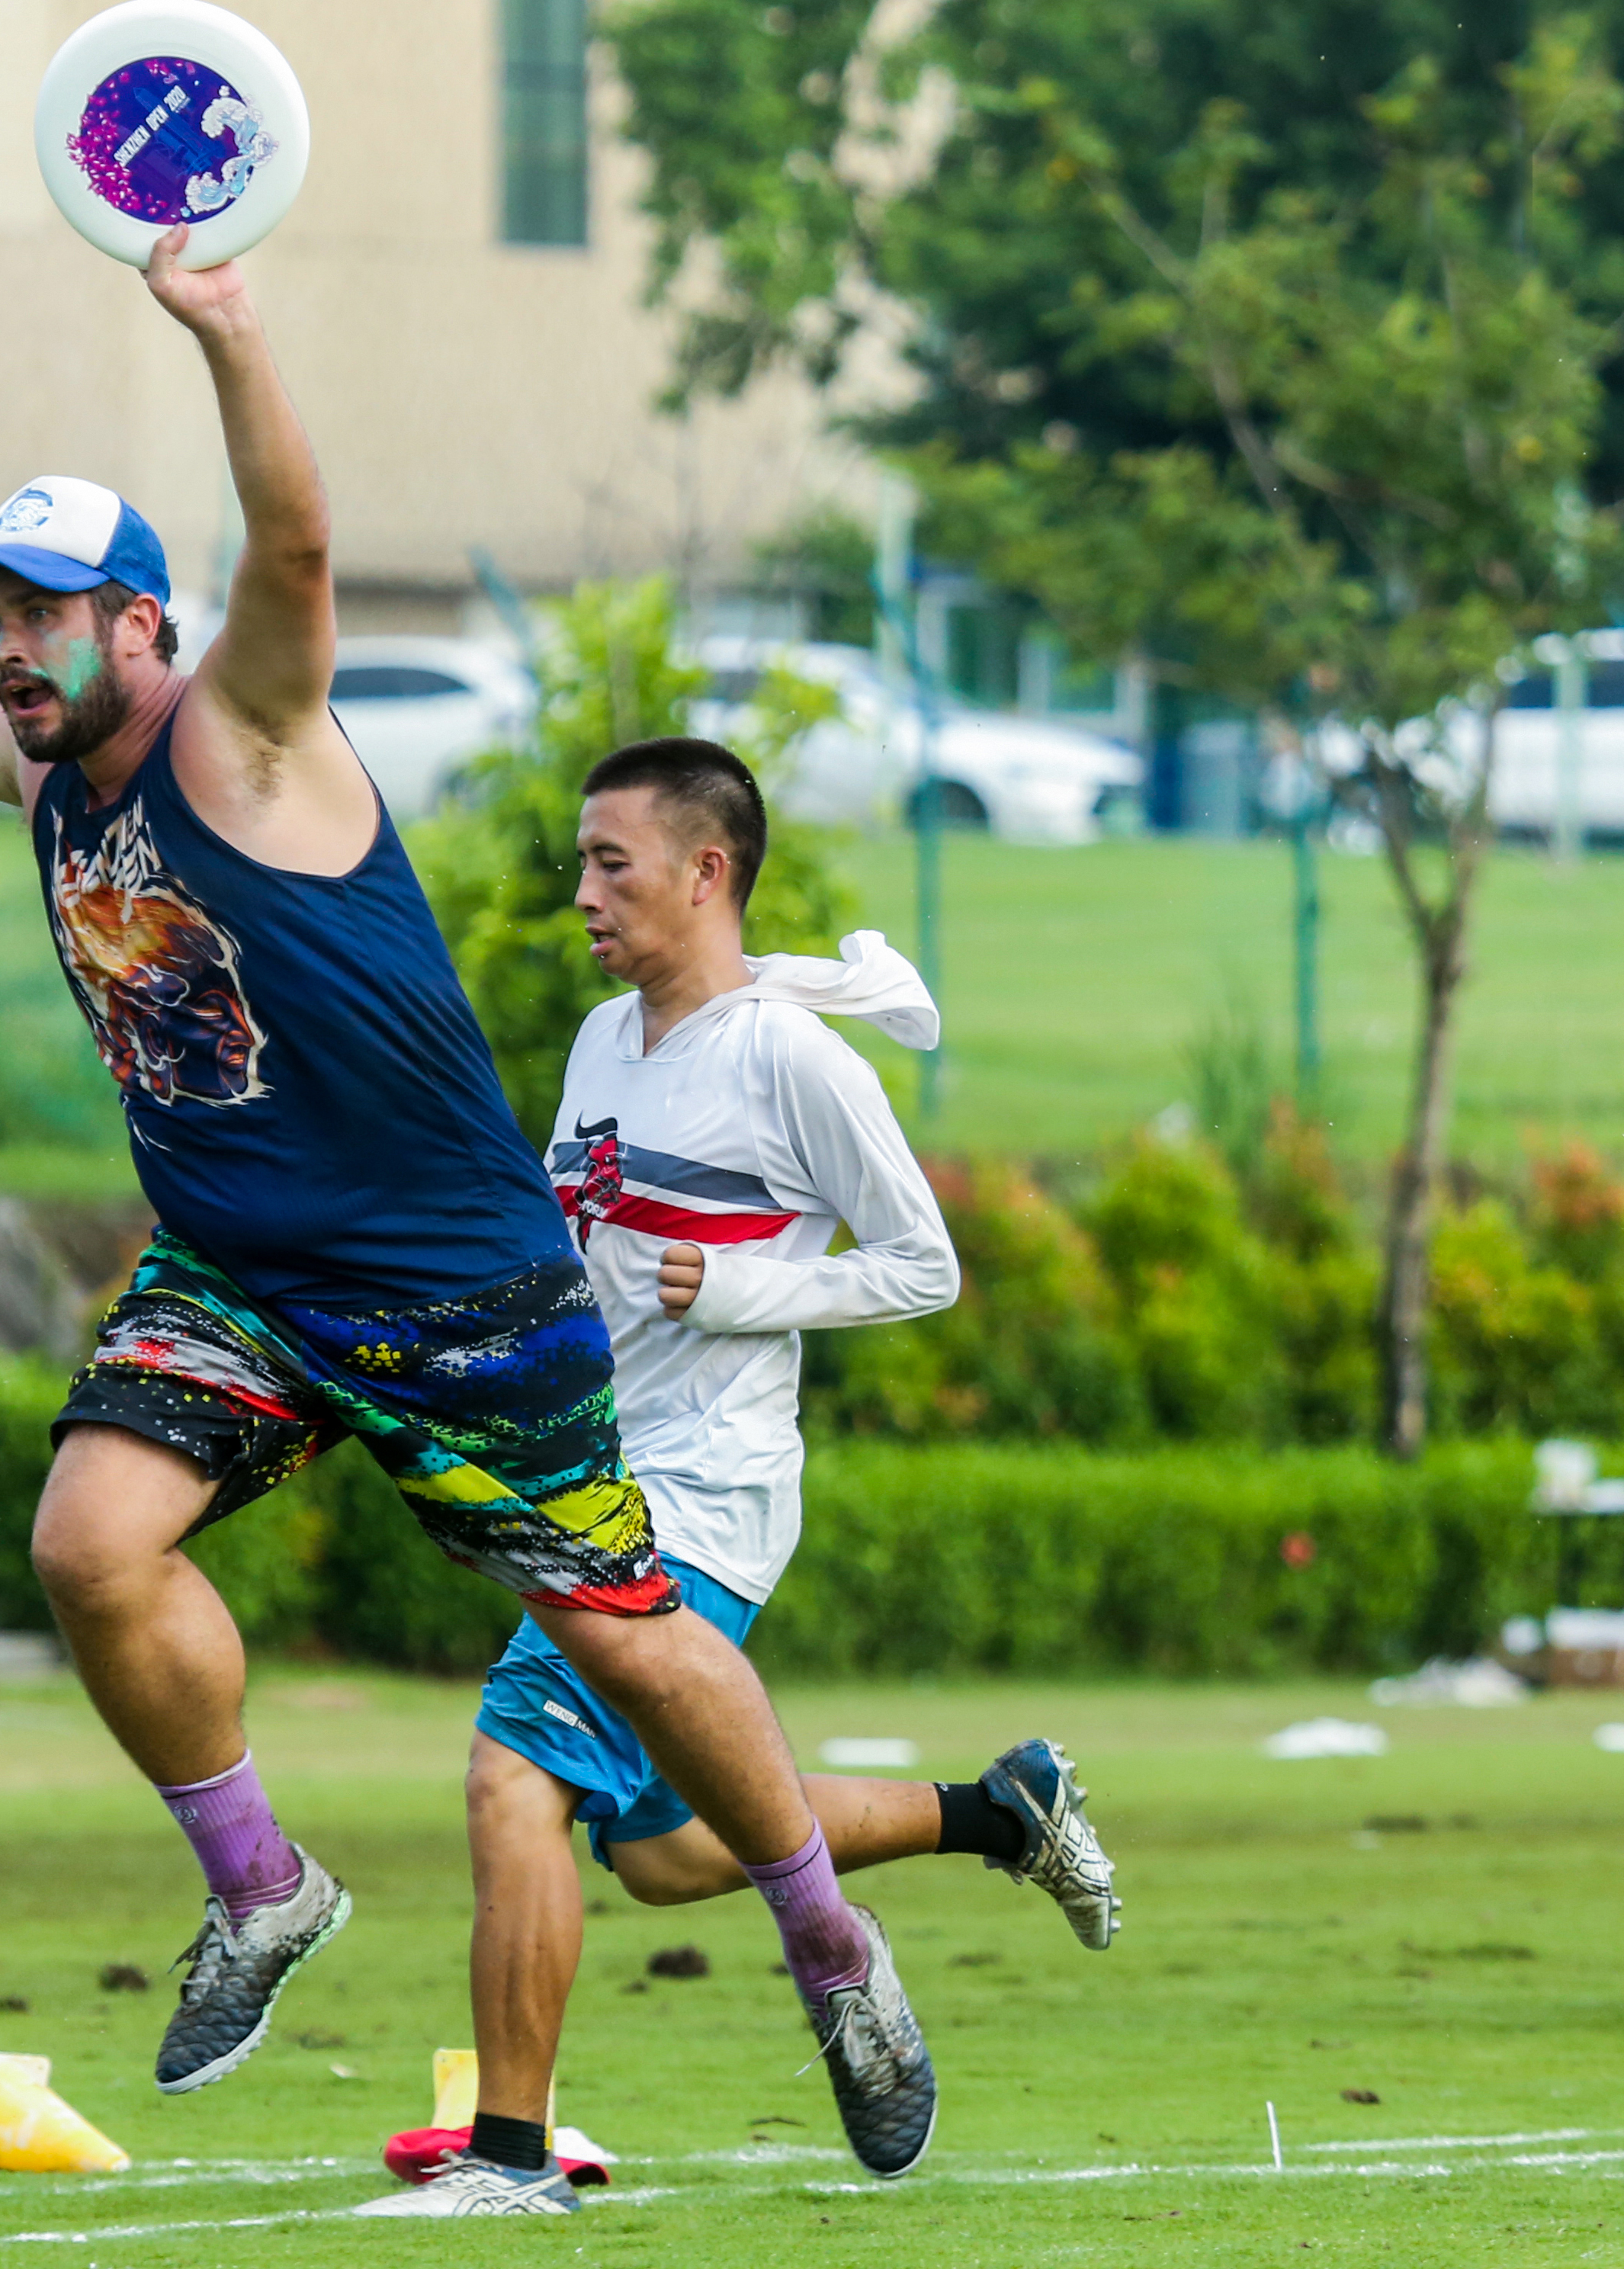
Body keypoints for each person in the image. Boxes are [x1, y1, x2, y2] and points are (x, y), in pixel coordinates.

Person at [0, 237, 932, 2172]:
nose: (6, 650)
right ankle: (264, 1884)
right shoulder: (47, 787)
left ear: (138, 622)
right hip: (241, 1279)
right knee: (89, 1547)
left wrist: (231, 337)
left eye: (42, 616)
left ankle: (826, 1932)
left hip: (460, 1285)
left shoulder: (240, 732)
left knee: (624, 1639)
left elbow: (292, 554)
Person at [361, 739, 1121, 2219]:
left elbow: (924, 1267)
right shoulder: (599, 1039)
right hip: (588, 1480)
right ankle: (1001, 1813)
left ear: (706, 872)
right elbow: (573, 1253)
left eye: (610, 863)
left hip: (702, 1494)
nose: (581, 891)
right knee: (661, 1849)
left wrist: (746, 1291)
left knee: (511, 1777)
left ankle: (512, 2161)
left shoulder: (792, 1058)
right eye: (582, 861)